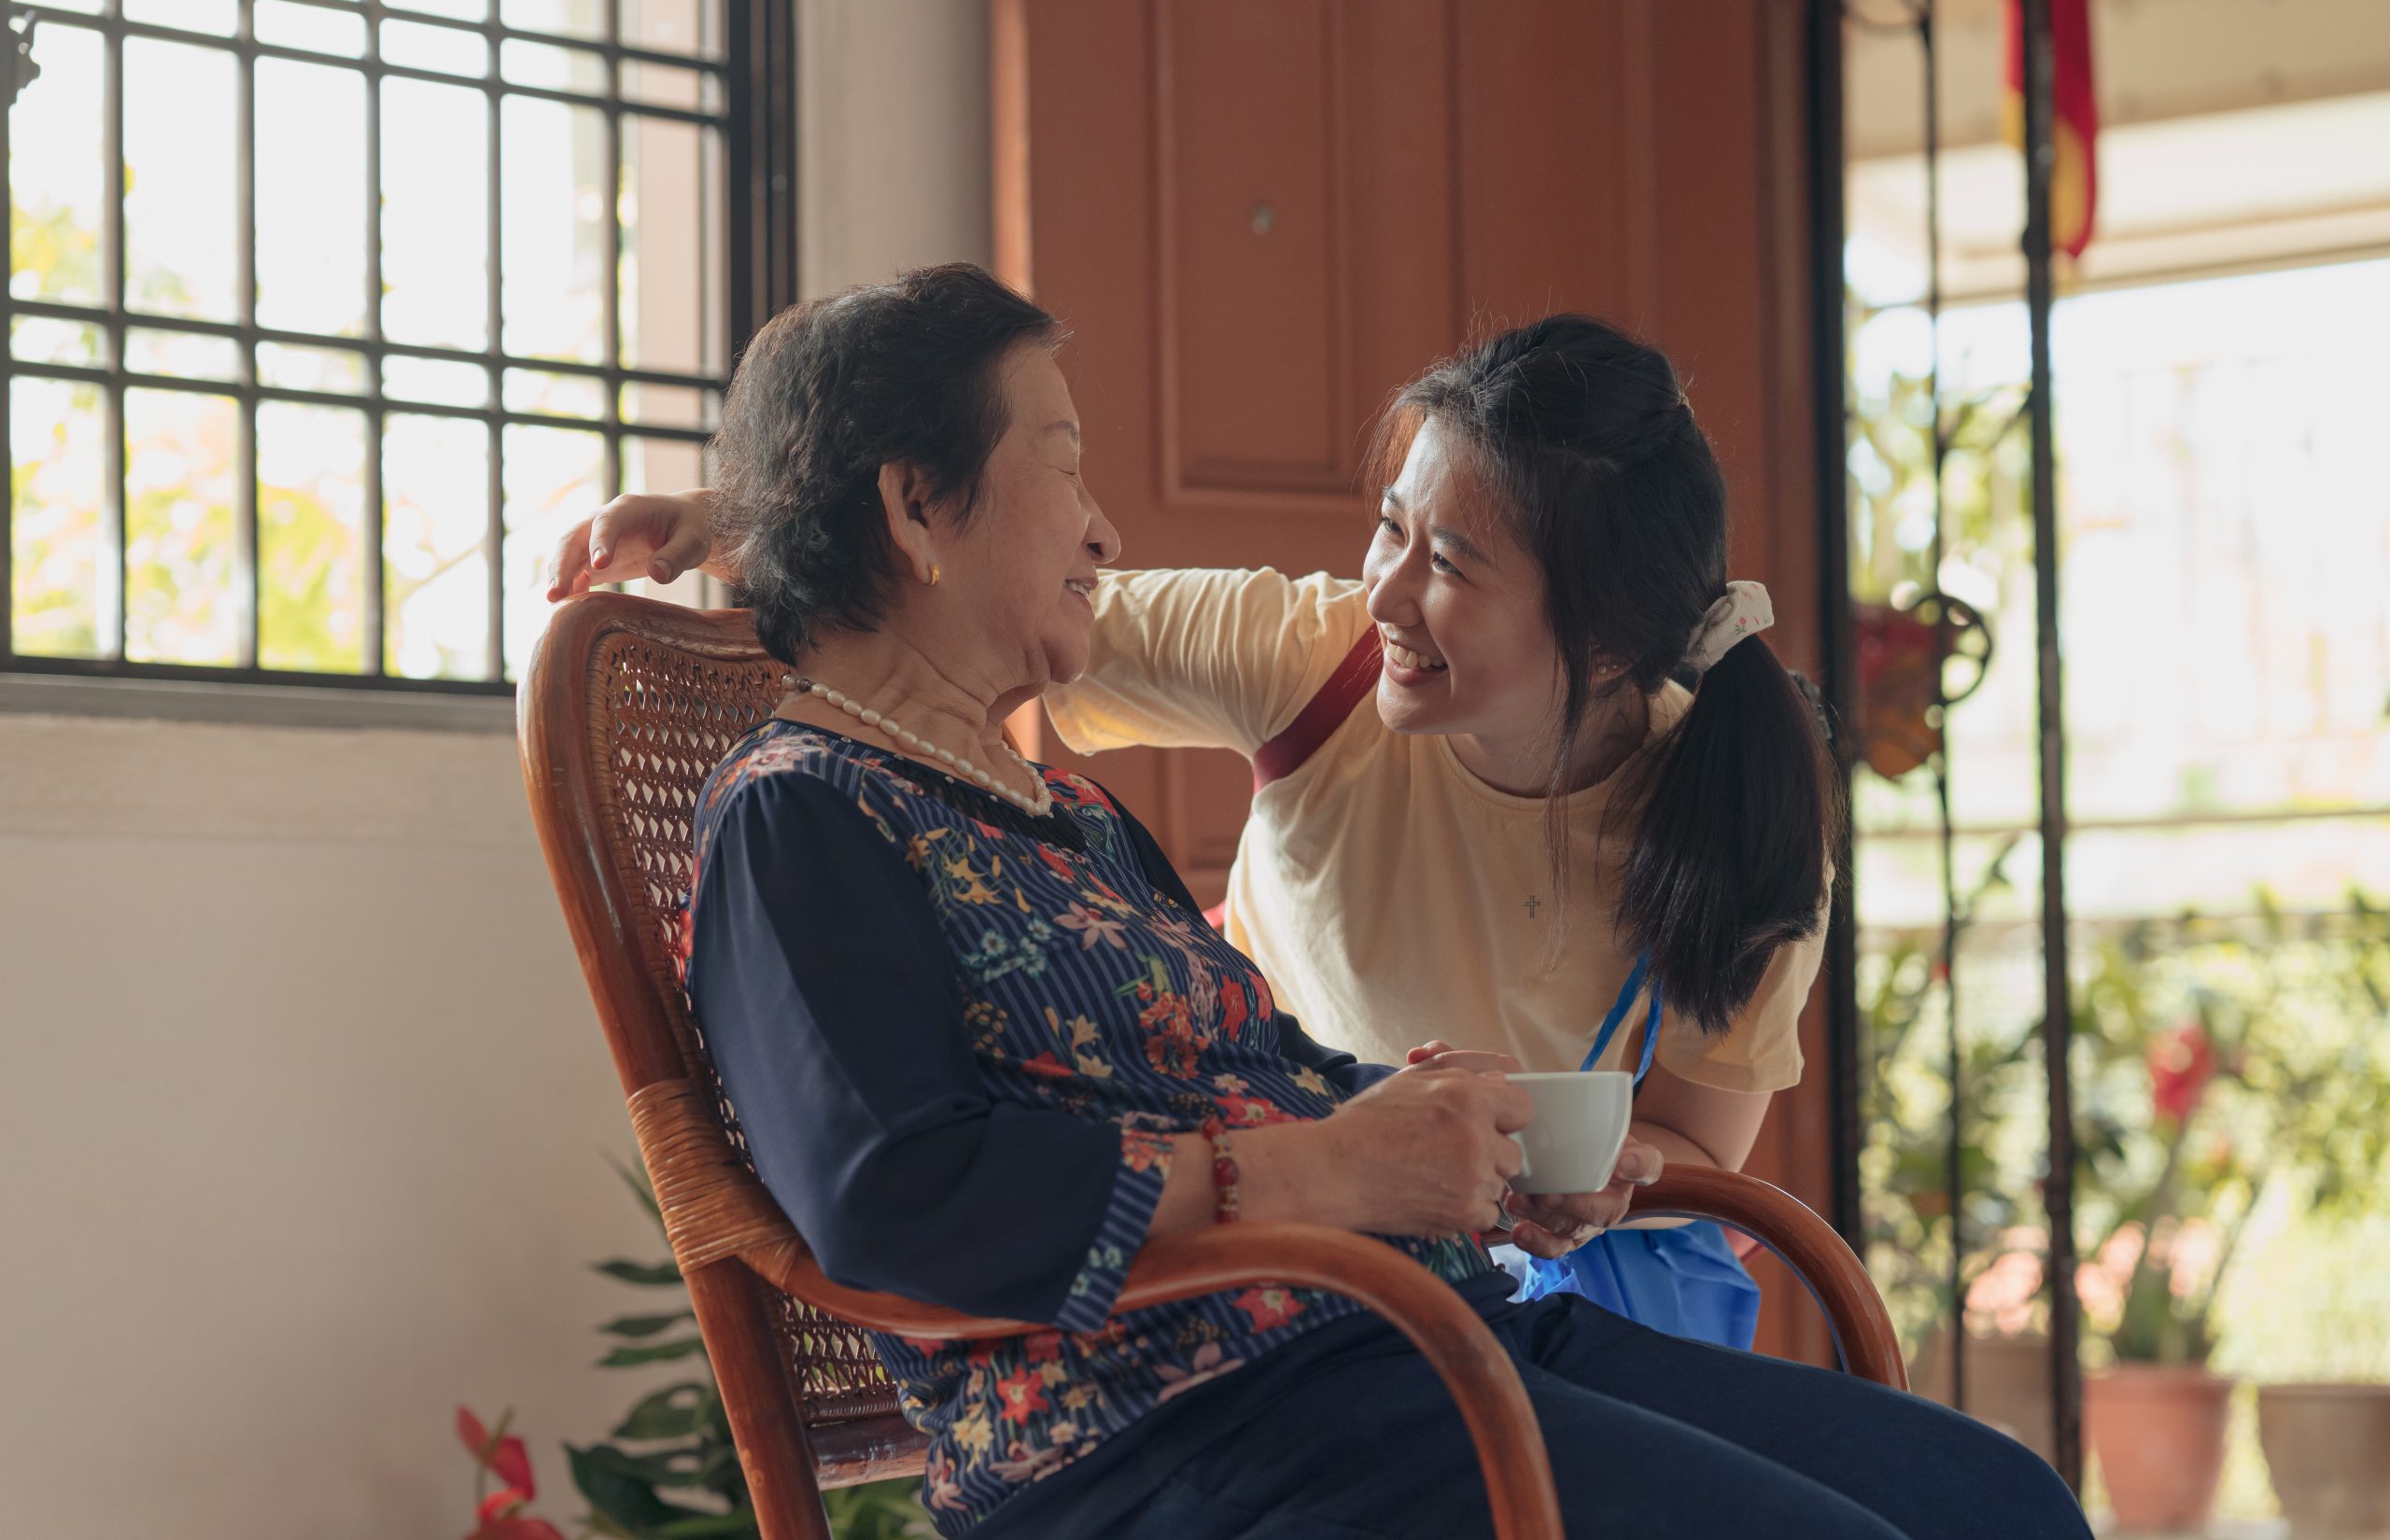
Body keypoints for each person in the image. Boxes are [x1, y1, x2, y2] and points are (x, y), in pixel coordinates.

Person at [664, 262, 2088, 1539]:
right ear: (918, 509)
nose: (1102, 531)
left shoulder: (1064, 815)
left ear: (1604, 637)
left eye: (1452, 561)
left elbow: (1260, 1072)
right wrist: (1321, 1171)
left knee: (1998, 1506)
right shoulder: (807, 809)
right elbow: (893, 1197)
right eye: (1066, 469)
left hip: (1395, 1334)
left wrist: (1451, 1128)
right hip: (1174, 1427)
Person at [556, 315, 1829, 1349]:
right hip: (1294, 1268)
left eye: (1451, 562)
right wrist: (749, 523)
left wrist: (1556, 1174)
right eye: (1391, 527)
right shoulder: (1316, 659)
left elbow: (1698, 1147)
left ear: (1605, 645)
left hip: (1508, 1270)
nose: (1385, 592)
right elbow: (993, 592)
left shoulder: (1740, 817)